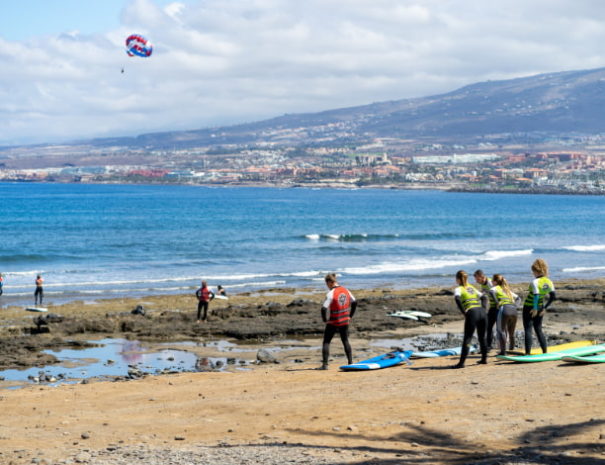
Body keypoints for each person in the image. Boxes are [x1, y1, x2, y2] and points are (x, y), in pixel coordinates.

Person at [319, 273, 357, 370]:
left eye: (326, 284)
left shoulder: (331, 293)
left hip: (333, 321)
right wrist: (350, 316)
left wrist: (325, 320)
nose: (327, 286)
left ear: (329, 282)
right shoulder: (346, 290)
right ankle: (350, 362)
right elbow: (354, 302)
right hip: (344, 320)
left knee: (326, 342)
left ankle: (325, 365)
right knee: (345, 340)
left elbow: (323, 309)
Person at [453, 270, 488, 368]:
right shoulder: (472, 288)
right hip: (482, 312)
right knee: (482, 337)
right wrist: (484, 309)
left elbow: (457, 299)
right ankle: (484, 359)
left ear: (458, 279)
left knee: (468, 338)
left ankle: (461, 363)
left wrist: (464, 312)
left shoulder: (458, 289)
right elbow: (484, 298)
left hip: (472, 312)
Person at [523, 258, 555, 354]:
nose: (533, 274)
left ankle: (527, 353)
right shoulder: (549, 281)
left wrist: (535, 308)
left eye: (533, 271)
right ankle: (545, 352)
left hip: (530, 307)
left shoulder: (535, 282)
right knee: (538, 329)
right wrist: (544, 308)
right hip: (541, 307)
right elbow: (553, 296)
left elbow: (536, 295)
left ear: (536, 271)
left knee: (528, 329)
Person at [490, 274, 521, 355]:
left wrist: (497, 303)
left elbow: (491, 292)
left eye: (492, 281)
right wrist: (515, 306)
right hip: (513, 310)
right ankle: (511, 350)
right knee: (511, 332)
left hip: (504, 309)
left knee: (501, 331)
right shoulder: (507, 290)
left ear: (495, 282)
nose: (491, 282)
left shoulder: (495, 288)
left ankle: (503, 352)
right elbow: (518, 298)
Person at [473, 269, 498, 350]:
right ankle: (489, 346)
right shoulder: (483, 284)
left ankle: (503, 347)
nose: (476, 281)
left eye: (477, 279)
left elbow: (498, 292)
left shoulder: (490, 283)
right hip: (492, 307)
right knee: (489, 327)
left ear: (482, 277)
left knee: (499, 328)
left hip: (498, 307)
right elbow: (484, 296)